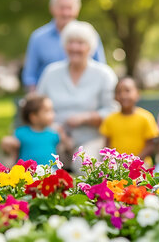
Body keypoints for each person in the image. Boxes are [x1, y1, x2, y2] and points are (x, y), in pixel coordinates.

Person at [37, 21, 117, 159]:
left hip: (92, 139)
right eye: (70, 42)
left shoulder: (104, 74)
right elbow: (36, 107)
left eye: (80, 43)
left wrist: (86, 118)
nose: (74, 47)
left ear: (90, 47)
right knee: (38, 160)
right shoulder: (51, 72)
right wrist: (54, 127)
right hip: (54, 138)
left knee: (83, 161)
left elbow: (113, 111)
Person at [22, 0, 106, 91]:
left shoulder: (90, 34)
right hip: (48, 99)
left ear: (77, 9)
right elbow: (30, 77)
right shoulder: (38, 38)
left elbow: (101, 67)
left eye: (69, 8)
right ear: (52, 8)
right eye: (61, 8)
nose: (65, 13)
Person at [99, 77, 159, 162]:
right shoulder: (110, 119)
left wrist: (134, 161)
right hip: (117, 166)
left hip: (141, 164)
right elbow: (107, 145)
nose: (123, 95)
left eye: (127, 91)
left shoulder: (146, 117)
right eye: (119, 92)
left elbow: (150, 146)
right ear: (115, 97)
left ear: (137, 94)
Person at [0, 94, 71, 165]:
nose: (52, 114)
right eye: (47, 111)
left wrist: (62, 135)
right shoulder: (21, 133)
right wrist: (7, 143)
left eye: (52, 110)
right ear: (34, 117)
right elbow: (10, 151)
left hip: (50, 171)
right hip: (28, 172)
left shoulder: (54, 132)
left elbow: (69, 147)